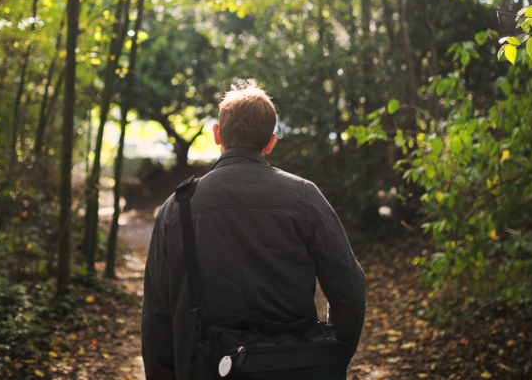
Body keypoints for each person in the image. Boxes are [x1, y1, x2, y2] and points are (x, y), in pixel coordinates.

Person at [140, 80, 367, 380]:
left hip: (205, 370)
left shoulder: (176, 208)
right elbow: (349, 290)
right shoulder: (305, 197)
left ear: (217, 135)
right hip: (293, 369)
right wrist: (331, 355)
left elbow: (157, 317)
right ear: (271, 142)